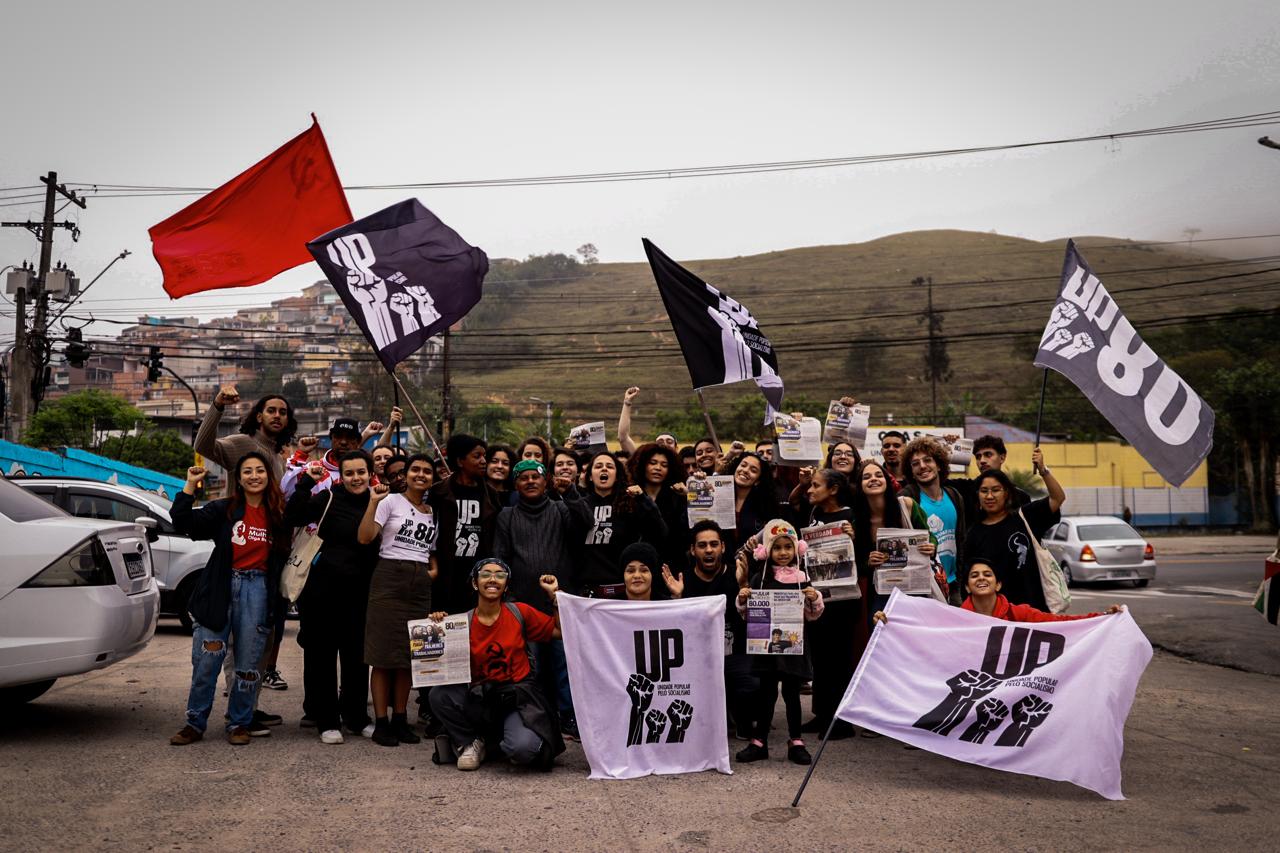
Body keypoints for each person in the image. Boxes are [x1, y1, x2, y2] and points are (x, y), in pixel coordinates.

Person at [168, 453, 290, 746]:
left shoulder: (278, 514)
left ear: (268, 476)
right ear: (239, 479)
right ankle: (194, 723)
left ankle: (239, 723)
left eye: (260, 470)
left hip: (258, 590)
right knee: (207, 660)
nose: (254, 476)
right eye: (247, 471)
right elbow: (184, 522)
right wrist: (190, 485)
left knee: (248, 664)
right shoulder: (224, 509)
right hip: (220, 588)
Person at [427, 559, 565, 771]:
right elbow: (438, 667)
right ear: (475, 583)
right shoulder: (462, 623)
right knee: (439, 695)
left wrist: (554, 595)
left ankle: (495, 743)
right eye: (485, 574)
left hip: (516, 699)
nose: (493, 579)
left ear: (506, 585)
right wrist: (437, 627)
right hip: (480, 699)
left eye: (500, 575)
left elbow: (560, 631)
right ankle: (469, 742)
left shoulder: (520, 612)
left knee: (523, 750)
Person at [285, 450, 380, 745]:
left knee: (357, 658)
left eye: (361, 472)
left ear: (370, 474)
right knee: (322, 657)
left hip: (360, 593)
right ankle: (327, 720)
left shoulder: (378, 501)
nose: (356, 478)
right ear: (342, 475)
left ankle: (356, 717)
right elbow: (293, 516)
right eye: (349, 473)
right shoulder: (327, 498)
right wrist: (305, 483)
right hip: (322, 593)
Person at [493, 459, 592, 739]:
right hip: (523, 606)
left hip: (560, 605)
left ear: (545, 480)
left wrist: (570, 492)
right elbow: (500, 558)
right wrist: (509, 601)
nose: (530, 482)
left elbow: (587, 523)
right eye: (523, 478)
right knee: (531, 667)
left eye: (535, 477)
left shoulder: (561, 509)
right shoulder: (507, 516)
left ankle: (568, 717)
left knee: (564, 666)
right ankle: (534, 717)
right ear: (516, 484)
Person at [358, 454, 439, 747]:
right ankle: (381, 723)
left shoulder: (433, 511)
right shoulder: (390, 501)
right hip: (389, 577)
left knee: (407, 656)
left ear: (433, 478)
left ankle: (400, 719)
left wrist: (432, 571)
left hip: (419, 583)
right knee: (382, 656)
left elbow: (431, 550)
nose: (421, 475)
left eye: (427, 471)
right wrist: (372, 503)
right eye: (415, 469)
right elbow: (365, 537)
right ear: (406, 474)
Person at [734, 520, 824, 765]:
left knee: (792, 694)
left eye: (788, 547)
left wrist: (814, 598)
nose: (783, 552)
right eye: (777, 547)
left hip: (794, 649)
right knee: (766, 694)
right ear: (767, 550)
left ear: (797, 549)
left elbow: (813, 615)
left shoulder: (802, 578)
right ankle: (759, 742)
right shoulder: (759, 579)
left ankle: (796, 741)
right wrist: (743, 597)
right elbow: (747, 615)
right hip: (767, 650)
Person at [661, 520, 757, 739]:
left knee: (752, 685)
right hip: (697, 659)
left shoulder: (738, 574)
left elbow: (755, 620)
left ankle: (741, 716)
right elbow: (675, 628)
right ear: (693, 550)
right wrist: (678, 598)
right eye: (702, 545)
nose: (709, 550)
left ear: (722, 547)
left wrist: (744, 586)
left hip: (735, 655)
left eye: (714, 544)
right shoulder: (683, 581)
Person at [795, 468, 860, 739]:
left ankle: (841, 722)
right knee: (820, 659)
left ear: (833, 489)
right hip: (819, 597)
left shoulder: (851, 515)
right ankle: (822, 713)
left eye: (815, 485)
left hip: (844, 600)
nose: (810, 490)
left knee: (839, 660)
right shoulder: (814, 513)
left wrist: (854, 537)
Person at [964, 449, 1065, 611]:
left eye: (995, 490)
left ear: (1006, 493)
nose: (989, 496)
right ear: (978, 496)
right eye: (984, 491)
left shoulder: (1025, 517)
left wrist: (1043, 470)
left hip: (1034, 611)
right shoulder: (974, 534)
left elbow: (1057, 498)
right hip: (998, 615)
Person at [875, 560, 1121, 624]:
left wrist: (1101, 617)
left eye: (987, 574)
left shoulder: (1020, 614)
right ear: (967, 587)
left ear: (998, 584)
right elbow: (923, 630)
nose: (981, 578)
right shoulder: (956, 618)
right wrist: (891, 621)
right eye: (974, 576)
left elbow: (1061, 622)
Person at [577, 452, 668, 597]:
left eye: (610, 466)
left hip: (623, 592)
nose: (604, 469)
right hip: (587, 593)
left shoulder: (630, 504)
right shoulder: (579, 506)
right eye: (598, 466)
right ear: (589, 476)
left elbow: (660, 532)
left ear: (618, 476)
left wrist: (643, 499)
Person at [430, 434, 503, 615]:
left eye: (484, 456)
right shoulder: (438, 493)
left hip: (479, 578)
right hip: (446, 578)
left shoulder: (492, 496)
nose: (483, 461)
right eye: (477, 456)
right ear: (460, 461)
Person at [898, 436, 968, 604]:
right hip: (923, 587)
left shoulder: (954, 495)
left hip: (953, 584)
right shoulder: (907, 498)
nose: (922, 466)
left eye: (927, 460)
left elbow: (961, 540)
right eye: (915, 463)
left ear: (939, 465)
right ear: (910, 472)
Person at [195, 385, 297, 484]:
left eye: (282, 412)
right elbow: (202, 446)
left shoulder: (279, 459)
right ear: (259, 417)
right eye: (271, 411)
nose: (277, 416)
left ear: (287, 421)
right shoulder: (241, 443)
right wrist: (218, 404)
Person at [627, 442, 690, 571]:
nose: (658, 468)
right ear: (642, 465)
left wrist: (688, 497)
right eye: (653, 463)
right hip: (636, 565)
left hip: (671, 565)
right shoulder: (628, 495)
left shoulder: (677, 497)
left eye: (664, 465)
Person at [949, 435, 1031, 521]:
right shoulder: (966, 489)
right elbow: (940, 480)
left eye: (988, 455)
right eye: (978, 457)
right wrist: (945, 445)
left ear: (1002, 458)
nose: (982, 461)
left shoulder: (1020, 497)